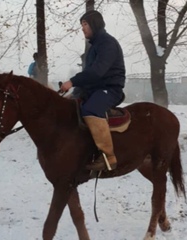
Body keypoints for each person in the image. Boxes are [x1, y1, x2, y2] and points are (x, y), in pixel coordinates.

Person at [61, 10, 126, 172]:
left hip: (110, 89)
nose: (82, 28)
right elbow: (90, 78)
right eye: (82, 25)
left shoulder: (107, 43)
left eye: (85, 24)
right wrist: (75, 93)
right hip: (95, 89)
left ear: (94, 24)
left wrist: (72, 81)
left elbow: (97, 72)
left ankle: (108, 157)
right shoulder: (94, 46)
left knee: (90, 109)